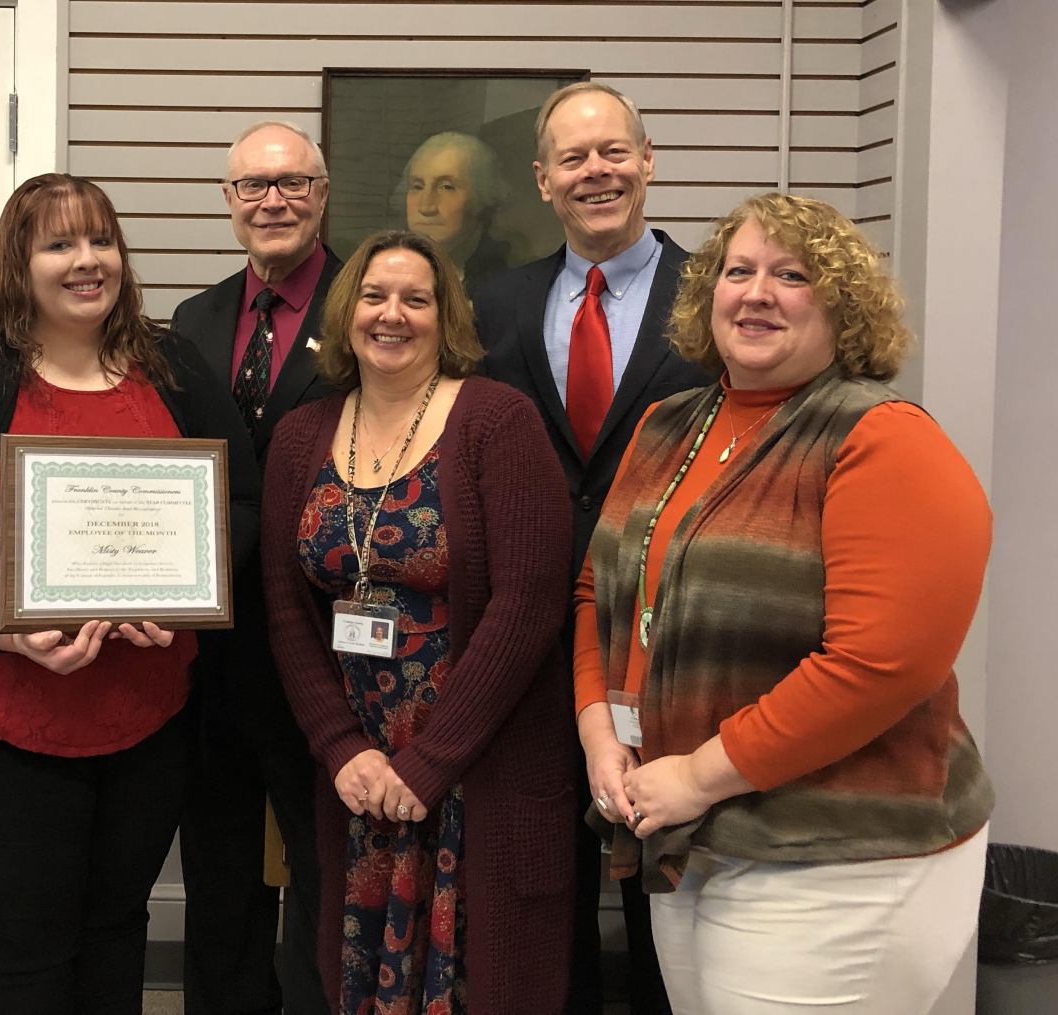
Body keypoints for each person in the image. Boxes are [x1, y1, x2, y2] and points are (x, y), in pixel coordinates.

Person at [575, 192, 994, 1015]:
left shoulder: (882, 437)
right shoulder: (669, 424)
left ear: (842, 307)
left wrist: (697, 775)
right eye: (738, 271)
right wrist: (598, 734)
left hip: (839, 854)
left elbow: (880, 664)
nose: (756, 292)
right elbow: (600, 589)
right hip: (691, 837)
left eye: (790, 275)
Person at [0, 173, 260, 1014]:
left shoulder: (173, 362)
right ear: (20, 261)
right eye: (60, 243)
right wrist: (9, 625)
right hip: (11, 727)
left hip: (149, 719)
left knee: (116, 928)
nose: (88, 261)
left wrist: (189, 586)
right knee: (19, 951)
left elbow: (244, 501)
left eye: (101, 240)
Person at [262, 229, 576, 1013]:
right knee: (358, 977)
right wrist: (341, 749)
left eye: (416, 298)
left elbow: (528, 604)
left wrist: (431, 761)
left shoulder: (498, 421)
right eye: (373, 296)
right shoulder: (302, 434)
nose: (391, 314)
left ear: (448, 317)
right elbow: (285, 606)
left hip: (477, 768)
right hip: (361, 777)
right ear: (346, 312)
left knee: (483, 979)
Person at [473, 80, 710, 1015]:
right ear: (542, 181)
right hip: (531, 628)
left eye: (614, 151)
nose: (595, 171)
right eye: (573, 158)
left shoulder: (718, 295)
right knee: (545, 873)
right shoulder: (495, 305)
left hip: (669, 633)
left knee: (659, 873)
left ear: (648, 162)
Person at [170, 119, 339, 1015]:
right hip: (212, 633)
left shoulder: (372, 301)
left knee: (322, 850)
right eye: (252, 186)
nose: (272, 200)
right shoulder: (194, 319)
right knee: (219, 849)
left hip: (328, 626)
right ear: (229, 203)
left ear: (323, 194)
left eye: (292, 183)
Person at [402, 131, 509, 294]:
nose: (426, 207)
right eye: (417, 186)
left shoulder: (505, 284)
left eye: (446, 187)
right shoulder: (391, 270)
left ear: (481, 195)